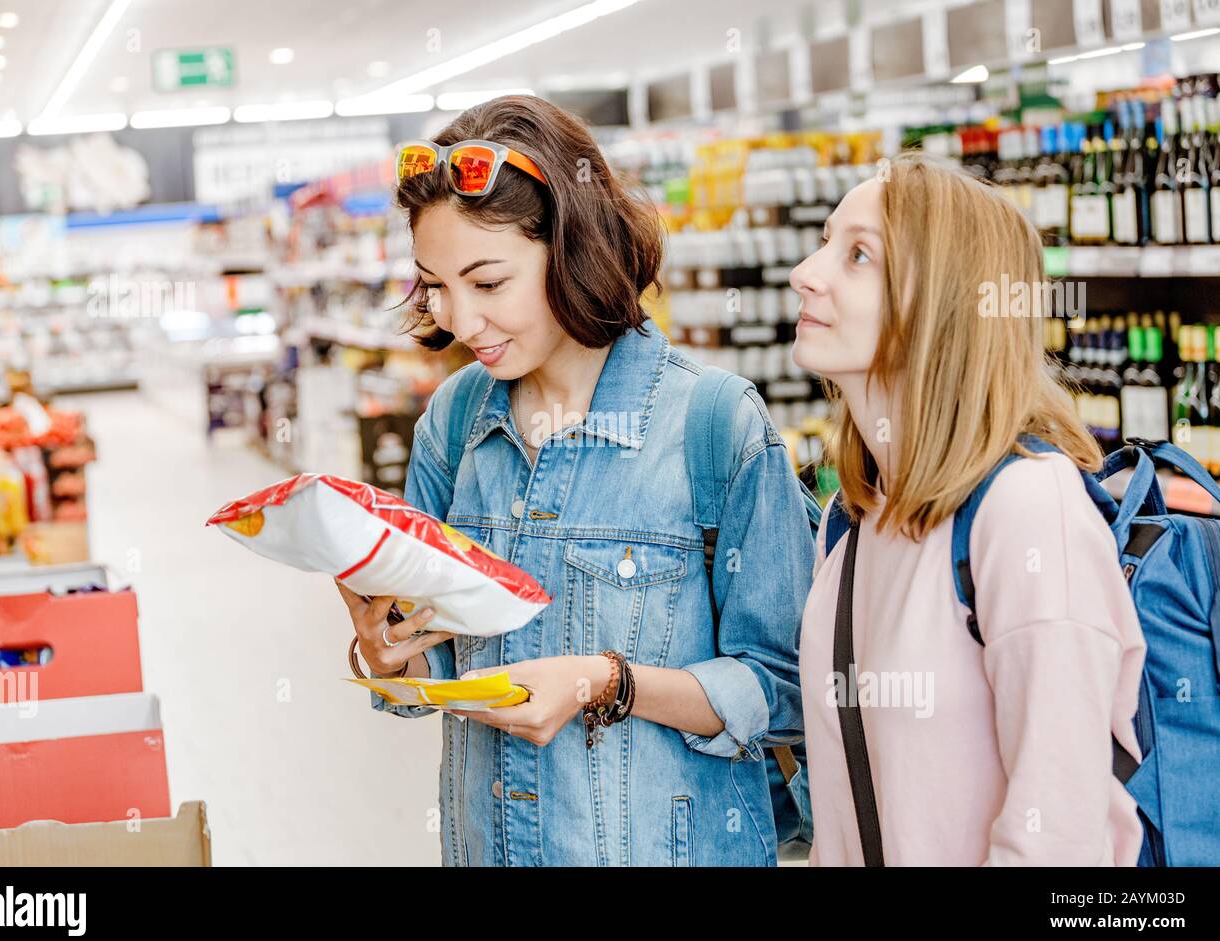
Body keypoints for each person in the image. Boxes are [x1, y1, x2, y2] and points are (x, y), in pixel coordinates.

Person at [337, 95, 812, 866]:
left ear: (573, 248)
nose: (459, 320)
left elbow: (784, 692)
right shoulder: (457, 423)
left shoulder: (714, 426)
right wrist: (386, 652)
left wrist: (606, 683)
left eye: (488, 283)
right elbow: (429, 669)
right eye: (435, 285)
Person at [791, 152, 1146, 865]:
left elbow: (1059, 840)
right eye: (826, 239)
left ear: (947, 303)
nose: (808, 270)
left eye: (858, 254)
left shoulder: (1026, 510)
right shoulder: (852, 524)